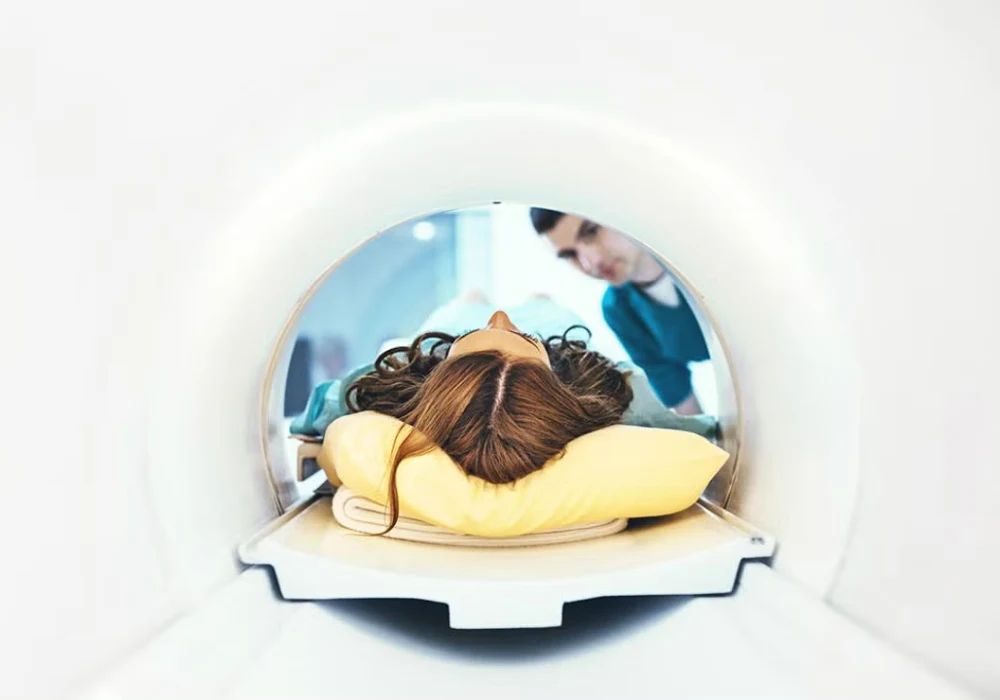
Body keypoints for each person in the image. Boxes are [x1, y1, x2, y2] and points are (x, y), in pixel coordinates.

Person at [290, 293, 717, 533]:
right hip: (556, 337)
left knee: (468, 302)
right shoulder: (614, 393)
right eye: (511, 334)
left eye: (491, 332)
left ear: (435, 379)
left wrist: (461, 339)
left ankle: (468, 327)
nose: (501, 318)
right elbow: (696, 435)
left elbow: (314, 422)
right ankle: (531, 327)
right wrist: (537, 341)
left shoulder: (393, 384)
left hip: (448, 339)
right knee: (543, 302)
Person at [529, 208, 710, 415]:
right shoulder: (618, 310)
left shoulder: (702, 252)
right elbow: (681, 398)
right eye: (571, 254)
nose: (591, 262)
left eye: (591, 231)